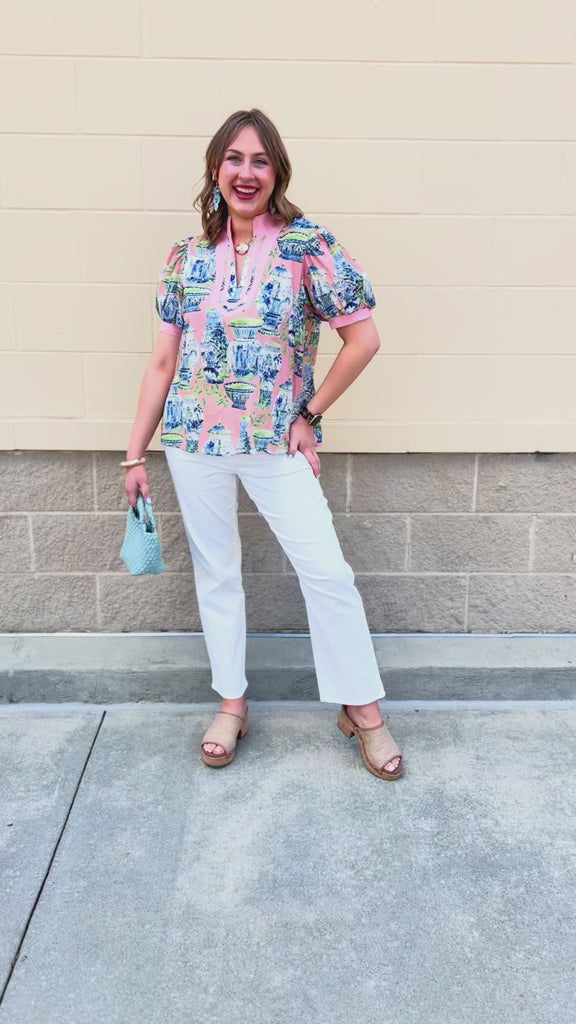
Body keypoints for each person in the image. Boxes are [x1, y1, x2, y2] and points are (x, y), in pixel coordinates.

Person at [124, 108, 403, 781]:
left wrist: (310, 413)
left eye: (259, 160)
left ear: (276, 172)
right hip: (193, 439)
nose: (245, 173)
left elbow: (363, 340)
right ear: (215, 170)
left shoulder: (309, 246)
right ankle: (231, 704)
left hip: (275, 442)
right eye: (234, 159)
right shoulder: (186, 257)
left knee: (327, 572)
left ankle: (362, 711)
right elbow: (162, 363)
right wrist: (134, 454)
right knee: (217, 571)